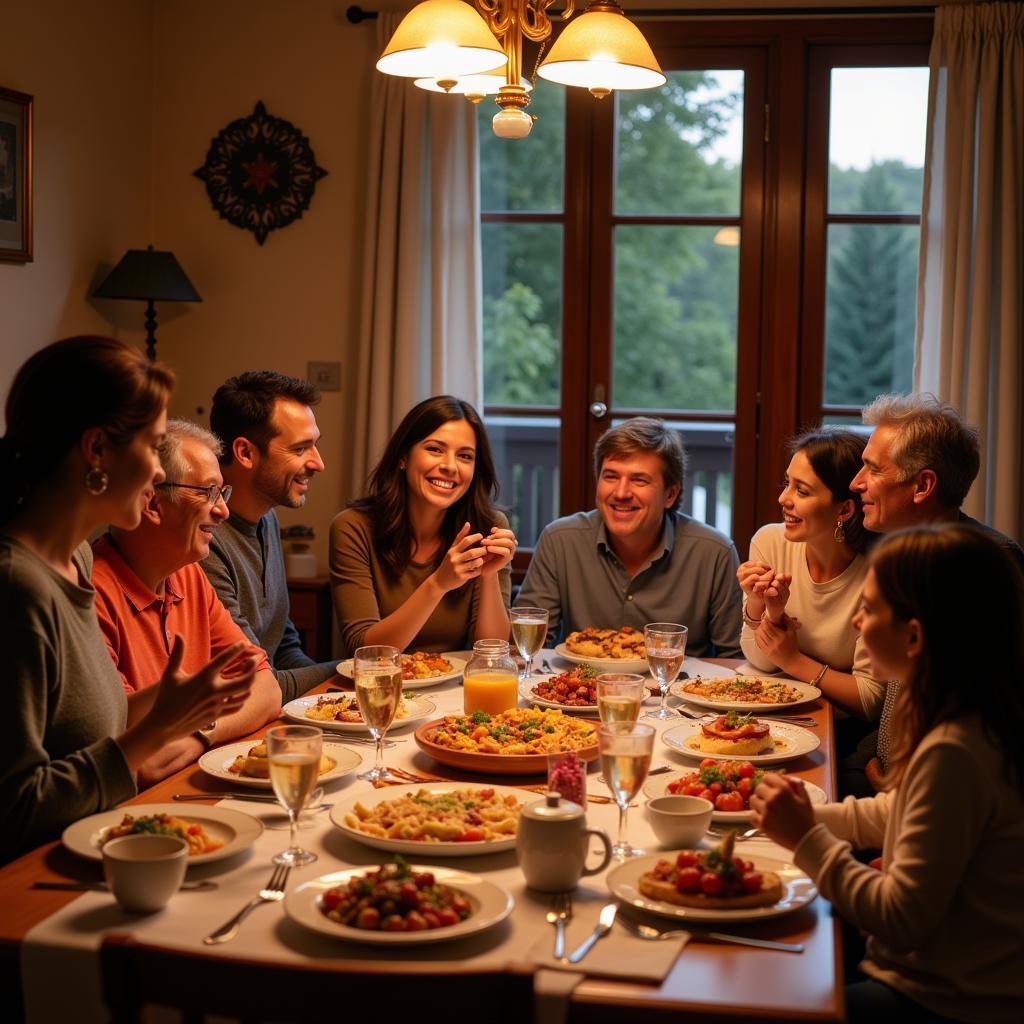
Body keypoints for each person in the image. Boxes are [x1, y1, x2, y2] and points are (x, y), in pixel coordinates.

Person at [751, 525, 1024, 1023]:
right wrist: (811, 813)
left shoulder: (955, 751)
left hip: (940, 1000)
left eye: (870, 609)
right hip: (937, 981)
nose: (856, 622)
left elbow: (901, 919)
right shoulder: (972, 718)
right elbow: (898, 812)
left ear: (915, 636)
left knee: (755, 998)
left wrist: (807, 837)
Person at [0, 337, 257, 863]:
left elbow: (88, 726)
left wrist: (175, 702)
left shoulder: (77, 561)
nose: (160, 472)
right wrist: (160, 727)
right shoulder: (16, 587)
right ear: (96, 451)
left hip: (105, 846)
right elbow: (14, 810)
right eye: (151, 444)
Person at [92, 420, 282, 786]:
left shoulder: (189, 575)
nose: (223, 511)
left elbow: (266, 688)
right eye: (208, 492)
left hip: (194, 779)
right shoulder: (94, 593)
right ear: (152, 502)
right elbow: (138, 758)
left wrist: (201, 734)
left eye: (220, 493)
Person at [851, 393, 1024, 787]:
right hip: (887, 774)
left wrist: (897, 786)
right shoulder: (902, 551)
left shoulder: (980, 566)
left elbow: (990, 718)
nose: (855, 483)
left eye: (872, 470)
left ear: (922, 485)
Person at [516, 417, 742, 657]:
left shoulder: (715, 553)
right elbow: (525, 648)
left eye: (639, 480)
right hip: (583, 691)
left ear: (670, 494)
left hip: (678, 690)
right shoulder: (560, 540)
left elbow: (735, 660)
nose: (621, 493)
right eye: (611, 476)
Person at [330, 395, 516, 655]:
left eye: (465, 456)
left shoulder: (489, 527)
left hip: (452, 691)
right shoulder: (353, 527)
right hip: (376, 690)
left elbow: (492, 651)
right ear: (403, 457)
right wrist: (438, 583)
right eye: (435, 449)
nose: (450, 466)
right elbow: (367, 651)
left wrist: (488, 574)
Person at [204, 371, 338, 703]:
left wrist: (330, 699)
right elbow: (257, 682)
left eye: (314, 445)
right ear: (245, 453)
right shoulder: (204, 540)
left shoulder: (267, 518)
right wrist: (361, 669)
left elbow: (285, 646)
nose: (318, 463)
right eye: (300, 448)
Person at [739, 429, 882, 736]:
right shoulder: (770, 541)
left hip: (840, 733)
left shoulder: (879, 575)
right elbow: (761, 662)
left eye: (801, 492)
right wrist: (763, 608)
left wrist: (794, 661)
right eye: (786, 484)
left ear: (844, 509)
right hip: (776, 717)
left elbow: (870, 699)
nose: (782, 499)